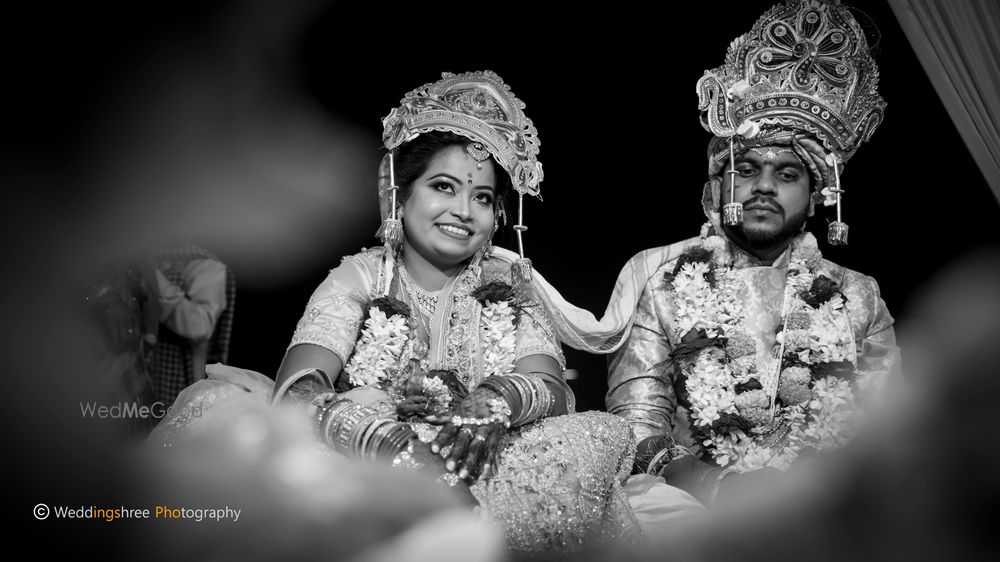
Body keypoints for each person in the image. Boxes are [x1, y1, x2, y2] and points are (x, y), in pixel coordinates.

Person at [151, 71, 639, 559]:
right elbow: (299, 387)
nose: (465, 211)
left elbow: (550, 386)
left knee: (586, 439)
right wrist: (383, 442)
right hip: (364, 453)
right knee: (227, 420)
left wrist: (496, 400)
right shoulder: (361, 277)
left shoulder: (513, 287)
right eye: (444, 187)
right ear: (399, 196)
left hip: (483, 453)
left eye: (483, 197)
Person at [604, 0, 900, 512]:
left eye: (787, 174)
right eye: (746, 170)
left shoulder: (857, 294)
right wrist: (717, 487)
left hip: (827, 505)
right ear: (717, 186)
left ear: (816, 196)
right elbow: (635, 423)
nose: (764, 186)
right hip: (692, 502)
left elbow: (887, 427)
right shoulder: (661, 276)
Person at [148, 244, 235, 407]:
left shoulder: (203, 264)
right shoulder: (148, 258)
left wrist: (153, 278)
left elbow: (200, 327)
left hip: (178, 385)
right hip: (143, 375)